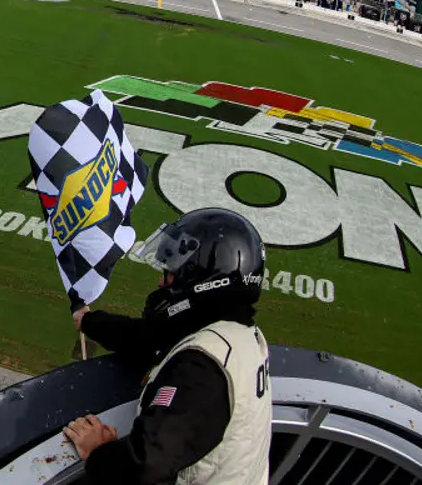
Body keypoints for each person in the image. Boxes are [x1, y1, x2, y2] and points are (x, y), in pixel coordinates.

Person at [62, 207, 271, 484]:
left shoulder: (202, 369)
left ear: (204, 282)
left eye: (171, 274)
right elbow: (148, 337)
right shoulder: (239, 336)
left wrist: (100, 450)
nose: (162, 282)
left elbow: (144, 466)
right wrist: (90, 321)